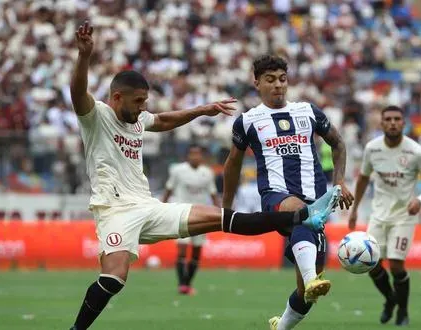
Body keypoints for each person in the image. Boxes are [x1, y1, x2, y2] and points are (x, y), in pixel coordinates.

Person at [69, 22, 341, 330]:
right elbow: (78, 93)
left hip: (147, 206)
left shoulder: (138, 119)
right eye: (139, 101)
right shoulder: (97, 116)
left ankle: (298, 219)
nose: (144, 107)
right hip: (114, 209)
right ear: (117, 98)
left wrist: (202, 110)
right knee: (114, 278)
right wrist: (84, 57)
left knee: (223, 218)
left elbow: (163, 119)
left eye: (145, 101)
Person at [221, 55, 355, 330]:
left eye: (282, 79)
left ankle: (281, 325)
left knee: (306, 296)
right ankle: (311, 279)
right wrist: (226, 209)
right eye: (270, 80)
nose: (278, 85)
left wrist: (340, 181)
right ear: (256, 83)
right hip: (276, 196)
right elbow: (232, 164)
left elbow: (338, 144)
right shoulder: (248, 121)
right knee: (300, 215)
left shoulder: (308, 112)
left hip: (316, 202)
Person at [348, 105, 421, 326]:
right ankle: (390, 300)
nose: (392, 123)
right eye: (388, 119)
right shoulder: (372, 149)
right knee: (370, 263)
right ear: (381, 123)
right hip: (378, 215)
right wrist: (354, 210)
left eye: (397, 119)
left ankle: (403, 311)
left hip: (404, 215)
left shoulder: (415, 151)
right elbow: (362, 179)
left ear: (403, 123)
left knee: (397, 266)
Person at [162, 144, 219, 295]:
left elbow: (213, 194)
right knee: (182, 250)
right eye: (192, 154)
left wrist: (221, 213)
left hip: (201, 216)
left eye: (198, 154)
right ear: (187, 156)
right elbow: (168, 189)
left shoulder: (207, 172)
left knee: (196, 253)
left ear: (202, 156)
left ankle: (187, 283)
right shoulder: (177, 170)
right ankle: (182, 284)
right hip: (181, 214)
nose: (195, 157)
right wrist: (161, 208)